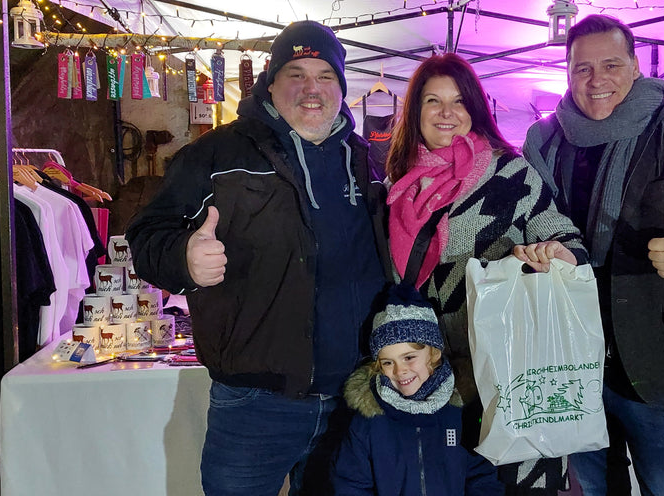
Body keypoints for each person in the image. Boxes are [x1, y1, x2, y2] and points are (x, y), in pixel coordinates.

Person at [126, 21, 390, 496]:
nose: (312, 88)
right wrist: (183, 258)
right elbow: (146, 235)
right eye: (296, 73)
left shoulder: (365, 160)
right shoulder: (216, 153)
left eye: (325, 75)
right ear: (271, 82)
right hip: (253, 404)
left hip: (351, 398)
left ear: (342, 87)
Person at [522, 14, 664, 496]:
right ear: (567, 73)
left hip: (658, 362)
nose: (597, 80)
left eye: (610, 64)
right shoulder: (544, 143)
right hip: (574, 361)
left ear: (635, 66)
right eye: (582, 69)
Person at [383, 53, 587, 495]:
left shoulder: (509, 172)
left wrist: (554, 253)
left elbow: (567, 240)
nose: (446, 113)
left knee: (516, 479)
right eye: (433, 101)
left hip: (509, 365)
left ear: (475, 108)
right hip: (432, 373)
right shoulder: (400, 183)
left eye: (458, 101)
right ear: (414, 111)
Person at [333, 284, 504, 495]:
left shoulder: (460, 413)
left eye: (409, 357)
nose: (400, 370)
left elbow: (481, 477)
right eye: (387, 362)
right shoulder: (368, 422)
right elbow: (351, 484)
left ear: (433, 354)